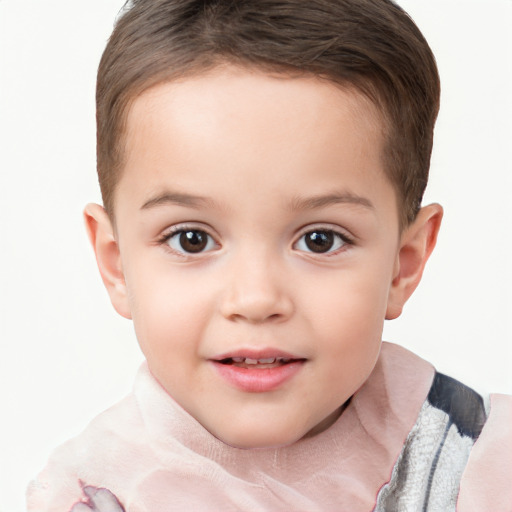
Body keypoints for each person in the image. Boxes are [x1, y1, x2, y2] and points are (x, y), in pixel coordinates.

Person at [26, 0, 511, 510]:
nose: (256, 299)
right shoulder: (94, 497)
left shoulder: (478, 463)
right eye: (191, 239)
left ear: (403, 263)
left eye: (320, 239)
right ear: (115, 262)